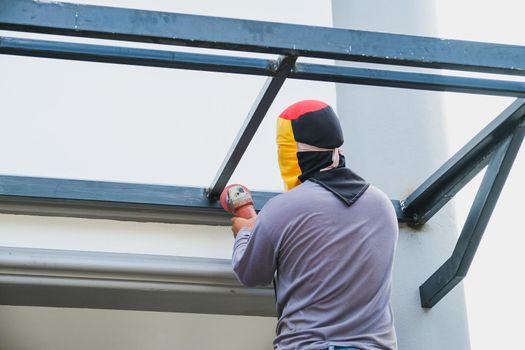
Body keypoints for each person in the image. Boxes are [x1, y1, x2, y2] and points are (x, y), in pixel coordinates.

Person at [231, 100, 398, 350]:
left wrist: (244, 232)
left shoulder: (284, 208)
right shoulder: (381, 203)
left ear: (295, 152)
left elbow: (251, 273)